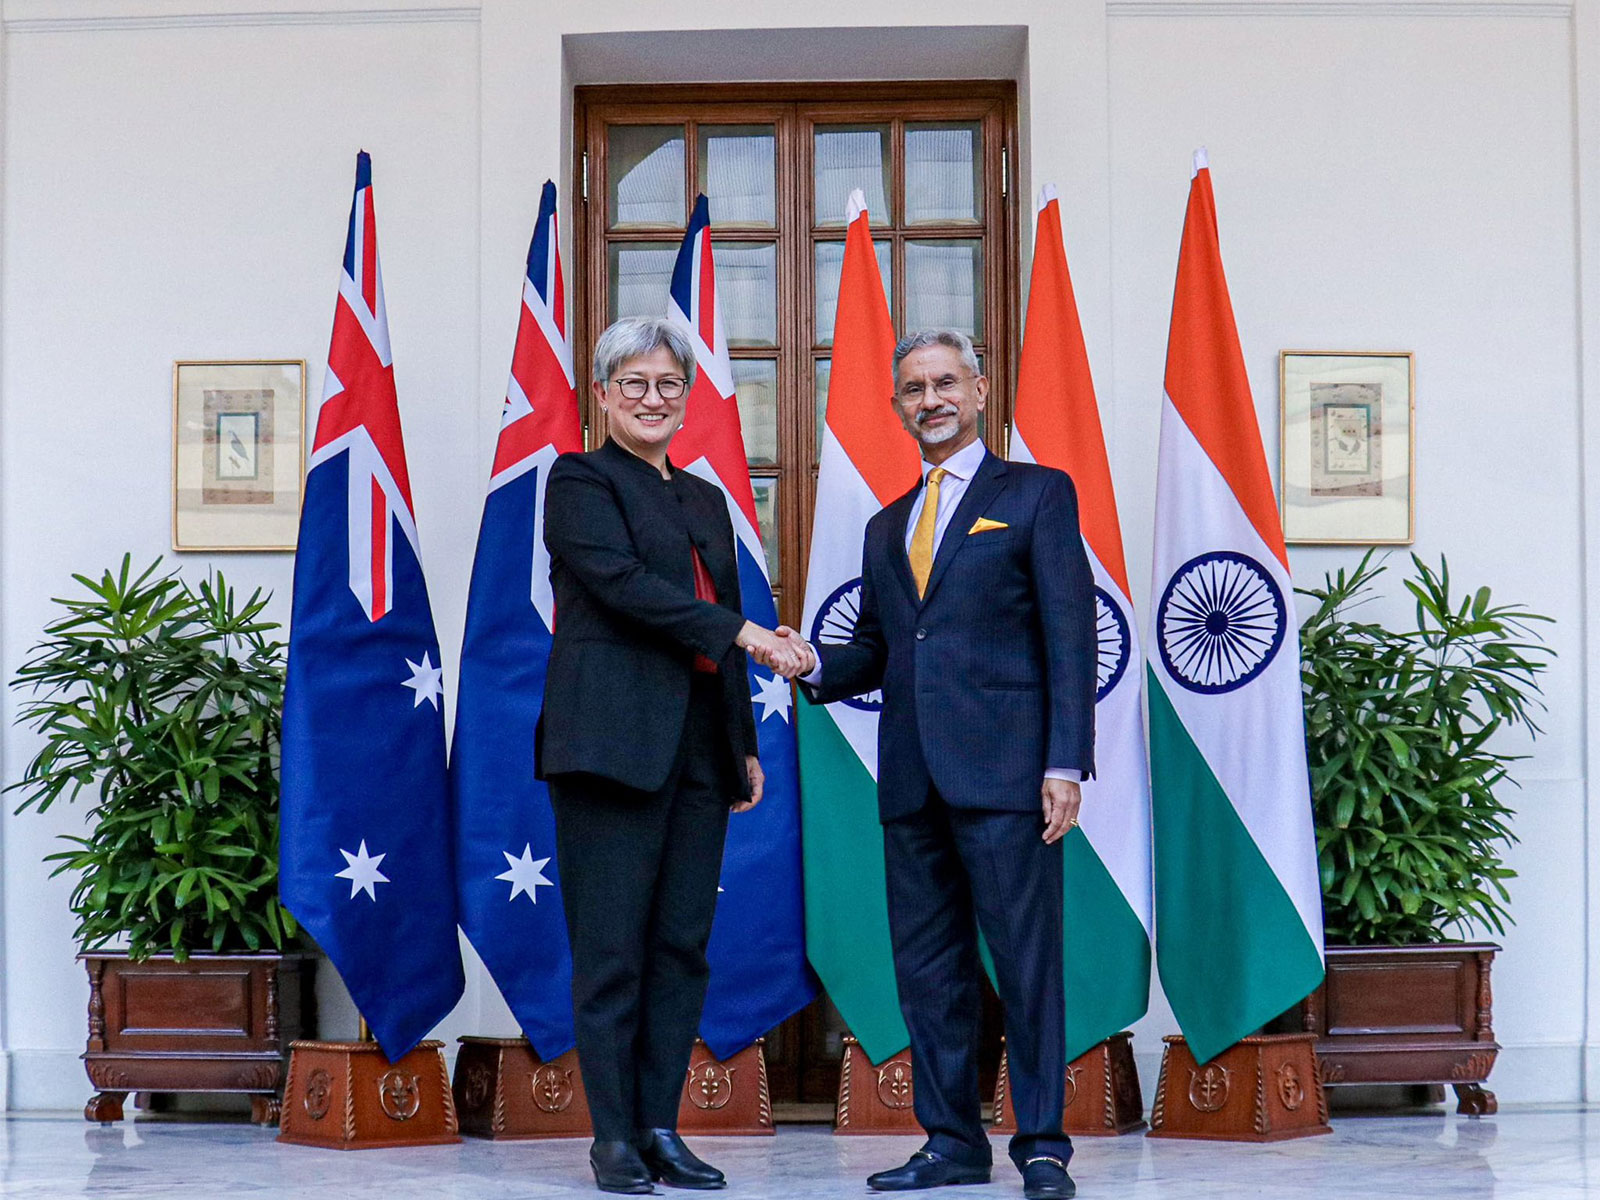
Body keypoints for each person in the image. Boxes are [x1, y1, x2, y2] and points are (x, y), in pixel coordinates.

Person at [772, 329, 1096, 1200]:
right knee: (929, 973)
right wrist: (814, 662)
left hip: (1010, 778)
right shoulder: (887, 525)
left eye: (946, 383)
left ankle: (1043, 1148)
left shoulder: (1036, 494)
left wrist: (1066, 762)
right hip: (913, 782)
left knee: (1026, 967)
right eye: (914, 389)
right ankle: (951, 1143)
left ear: (980, 392)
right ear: (898, 407)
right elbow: (881, 647)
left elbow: (1071, 634)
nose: (931, 400)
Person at [537, 316, 807, 1195]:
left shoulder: (704, 498)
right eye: (635, 383)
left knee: (682, 948)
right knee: (612, 951)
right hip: (609, 744)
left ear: (687, 397)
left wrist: (741, 743)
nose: (653, 399)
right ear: (603, 394)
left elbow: (711, 627)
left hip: (697, 747)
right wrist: (750, 633)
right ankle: (613, 1138)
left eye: (668, 384)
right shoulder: (578, 481)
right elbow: (628, 590)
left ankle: (660, 1128)